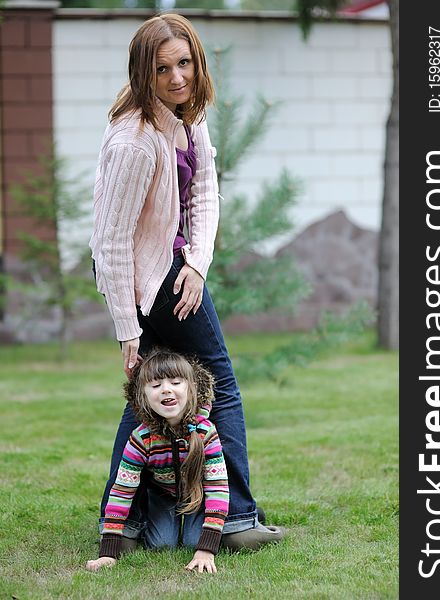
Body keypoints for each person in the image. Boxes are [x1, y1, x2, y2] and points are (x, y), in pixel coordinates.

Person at [89, 13, 284, 549]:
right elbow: (110, 243)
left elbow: (204, 196)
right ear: (142, 73)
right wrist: (129, 330)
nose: (177, 77)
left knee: (144, 399)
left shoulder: (186, 115)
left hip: (173, 267)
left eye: (185, 63)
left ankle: (123, 526)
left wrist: (197, 264)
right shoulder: (136, 140)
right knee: (217, 384)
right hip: (139, 273)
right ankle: (238, 521)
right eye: (162, 69)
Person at [86, 348, 229, 573]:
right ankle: (148, 518)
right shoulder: (141, 438)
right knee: (161, 545)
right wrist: (108, 553)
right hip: (163, 496)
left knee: (194, 542)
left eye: (175, 383)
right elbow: (122, 492)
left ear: (192, 388)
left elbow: (217, 487)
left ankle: (229, 519)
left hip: (197, 496)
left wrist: (206, 550)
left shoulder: (205, 431)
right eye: (155, 386)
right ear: (143, 395)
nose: (166, 390)